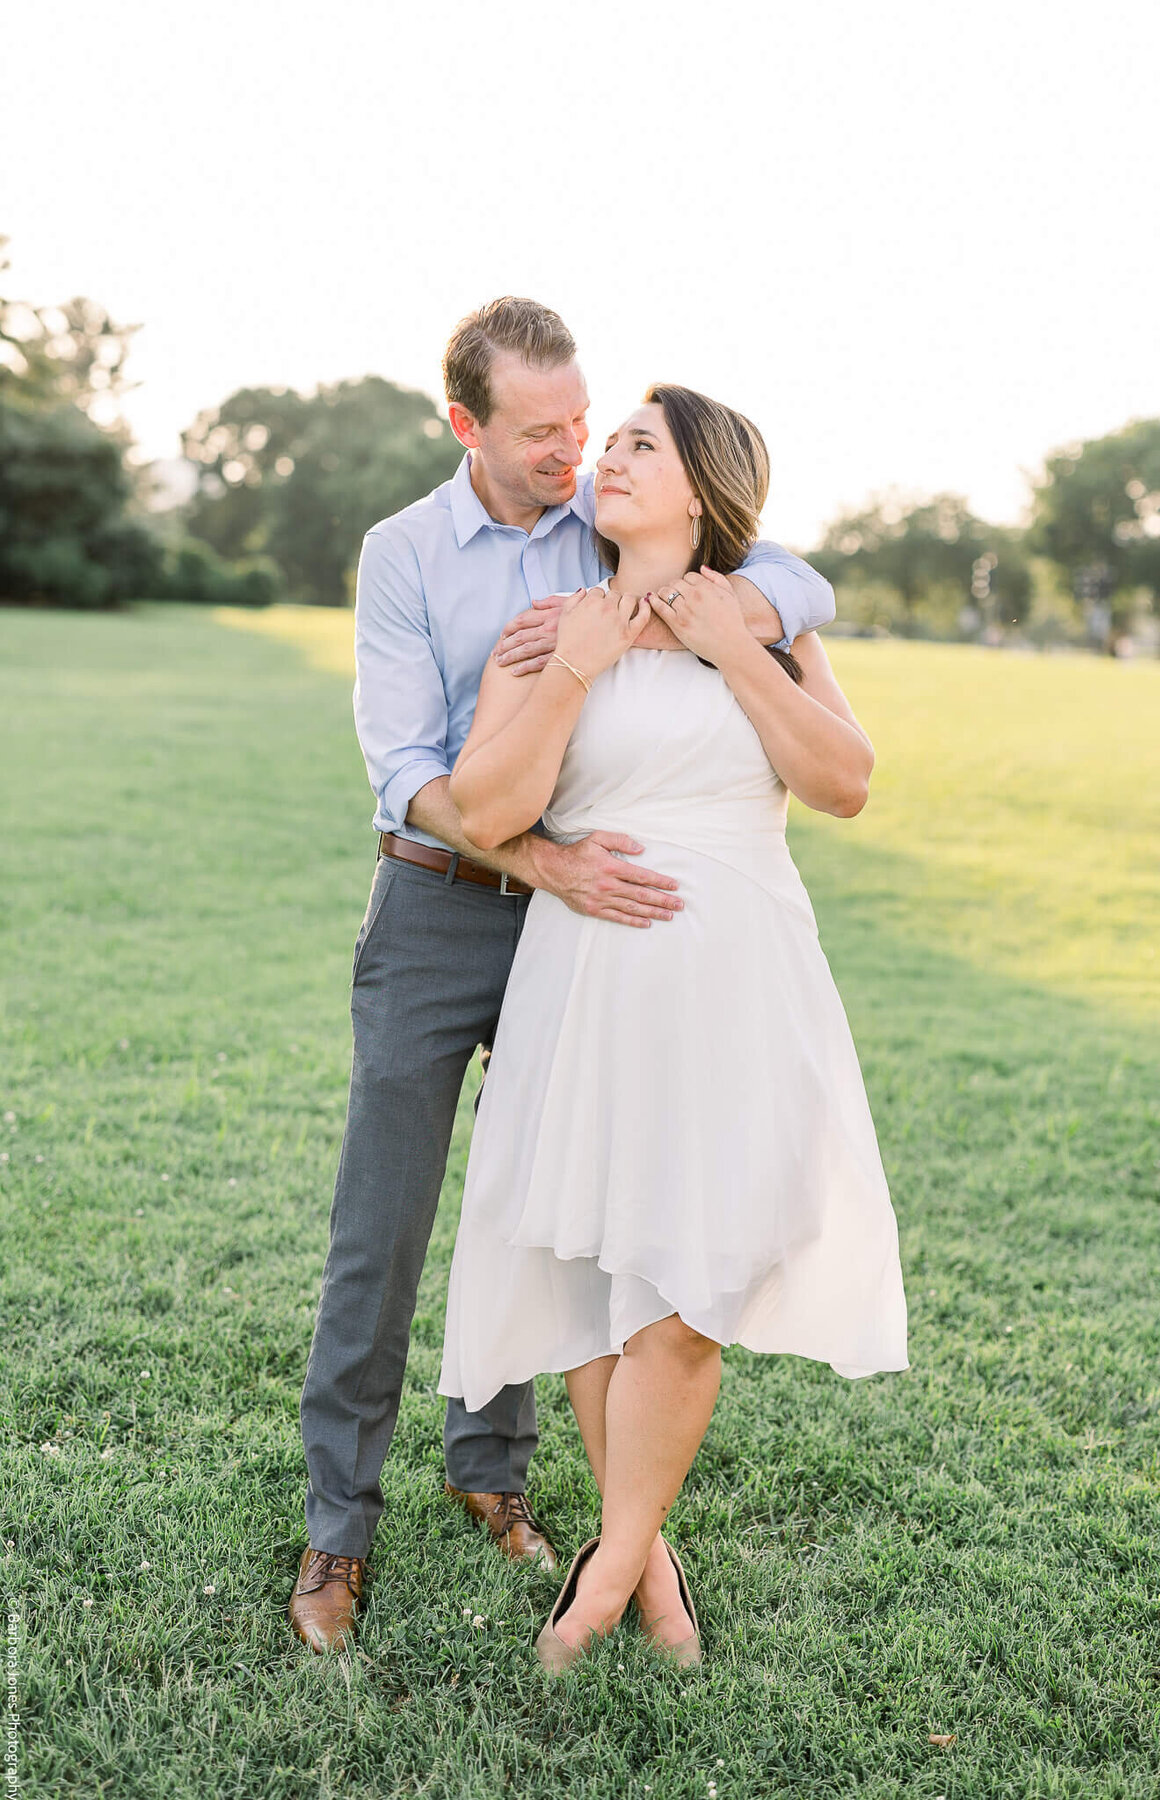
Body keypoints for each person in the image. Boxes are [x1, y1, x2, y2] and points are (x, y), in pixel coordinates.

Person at [288, 301, 837, 1653]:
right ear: (466, 424)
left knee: (562, 1206)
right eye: (538, 431)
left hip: (589, 930)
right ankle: (336, 1532)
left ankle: (498, 1477)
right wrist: (541, 861)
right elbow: (408, 770)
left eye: (581, 424)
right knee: (386, 1226)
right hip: (445, 904)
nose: (568, 451)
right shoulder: (406, 553)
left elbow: (770, 556)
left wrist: (770, 602)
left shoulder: (607, 519)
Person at [438, 383, 909, 1672]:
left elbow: (845, 783)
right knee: (597, 1276)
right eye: (613, 443)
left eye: (640, 443)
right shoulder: (550, 631)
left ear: (699, 486)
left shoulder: (767, 620)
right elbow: (486, 810)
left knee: (690, 1293)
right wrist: (579, 667)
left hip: (742, 982)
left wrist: (736, 646)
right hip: (589, 980)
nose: (609, 459)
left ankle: (601, 1582)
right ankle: (647, 1574)